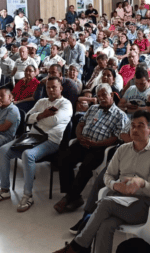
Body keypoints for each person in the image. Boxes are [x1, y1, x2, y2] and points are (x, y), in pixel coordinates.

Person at [49, 111, 150, 253]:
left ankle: (77, 245)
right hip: (118, 200)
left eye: (140, 125)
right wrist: (115, 186)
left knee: (104, 203)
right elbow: (108, 176)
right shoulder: (123, 150)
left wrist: (141, 183)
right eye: (133, 125)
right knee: (105, 225)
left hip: (142, 206)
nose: (135, 129)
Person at [0, 77, 73, 212]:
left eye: (54, 87)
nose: (51, 90)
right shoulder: (42, 102)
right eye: (48, 87)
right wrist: (42, 115)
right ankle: (4, 189)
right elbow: (27, 118)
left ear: (61, 88)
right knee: (3, 150)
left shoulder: (66, 104)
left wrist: (38, 119)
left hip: (50, 141)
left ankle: (28, 195)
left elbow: (55, 121)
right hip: (32, 137)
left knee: (28, 155)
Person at [54, 84, 128, 213]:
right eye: (98, 96)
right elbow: (81, 123)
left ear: (111, 95)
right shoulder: (93, 108)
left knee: (85, 167)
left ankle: (68, 198)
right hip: (83, 142)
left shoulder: (120, 115)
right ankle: (74, 196)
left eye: (104, 95)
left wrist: (95, 144)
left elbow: (116, 138)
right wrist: (79, 136)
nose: (101, 98)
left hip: (100, 148)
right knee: (63, 159)